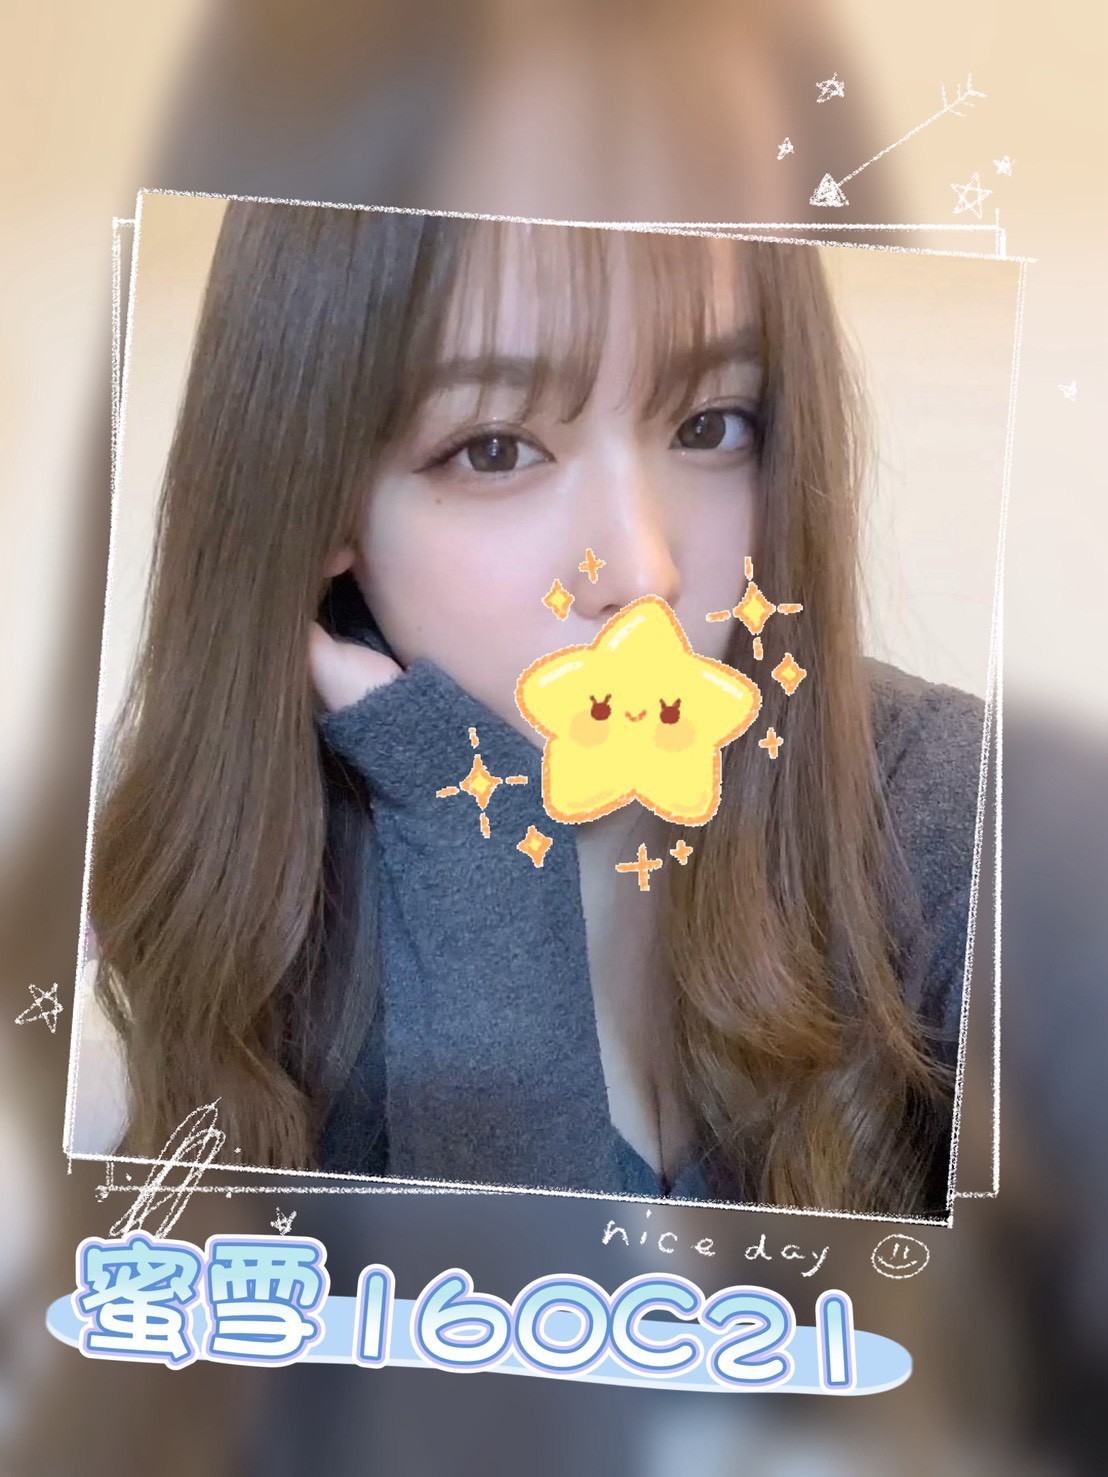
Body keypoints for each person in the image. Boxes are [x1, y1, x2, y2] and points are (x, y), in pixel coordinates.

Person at [86, 201, 983, 1217]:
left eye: (710, 425)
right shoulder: (214, 877)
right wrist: (468, 836)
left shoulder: (951, 802)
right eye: (495, 449)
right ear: (319, 502)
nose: (641, 572)